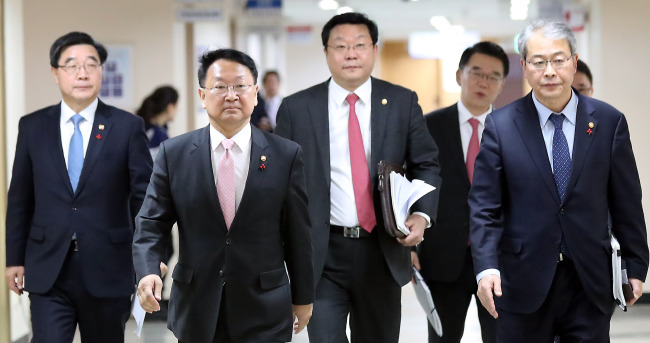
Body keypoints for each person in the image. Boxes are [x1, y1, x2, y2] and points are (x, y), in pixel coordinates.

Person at [469, 20, 648, 342]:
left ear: (574, 62)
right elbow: (484, 206)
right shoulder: (501, 126)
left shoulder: (608, 122)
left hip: (589, 280)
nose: (549, 71)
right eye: (538, 62)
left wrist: (635, 267)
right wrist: (486, 267)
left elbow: (626, 202)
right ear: (524, 67)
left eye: (558, 60)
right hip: (521, 280)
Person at [275, 12, 441, 343]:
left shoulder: (400, 102)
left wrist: (421, 216)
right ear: (326, 53)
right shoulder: (297, 108)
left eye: (360, 45)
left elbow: (427, 163)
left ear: (374, 50)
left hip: (381, 251)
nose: (350, 54)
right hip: (321, 256)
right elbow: (281, 183)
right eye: (340, 46)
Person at [133, 48, 314, 343]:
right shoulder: (174, 154)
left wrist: (304, 296)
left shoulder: (286, 155)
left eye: (240, 86)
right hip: (197, 305)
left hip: (264, 305)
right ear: (203, 96)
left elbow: (298, 233)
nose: (231, 95)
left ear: (255, 93)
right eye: (219, 87)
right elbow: (151, 222)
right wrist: (147, 270)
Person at [4, 31, 153, 342]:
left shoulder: (127, 127)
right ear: (55, 74)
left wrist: (151, 258)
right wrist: (14, 258)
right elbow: (20, 196)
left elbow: (145, 200)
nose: (82, 73)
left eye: (91, 64)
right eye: (71, 65)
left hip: (108, 266)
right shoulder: (32, 126)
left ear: (101, 71)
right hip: (48, 267)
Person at [415, 41, 509, 343]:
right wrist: (410, 247)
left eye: (494, 76)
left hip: (501, 258)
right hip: (442, 256)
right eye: (476, 72)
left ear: (502, 84)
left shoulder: (515, 130)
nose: (484, 82)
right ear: (459, 75)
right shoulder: (427, 127)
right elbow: (413, 187)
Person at [136, 85, 179, 158]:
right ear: (170, 107)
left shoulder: (143, 127)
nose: (177, 110)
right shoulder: (158, 135)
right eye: (176, 106)